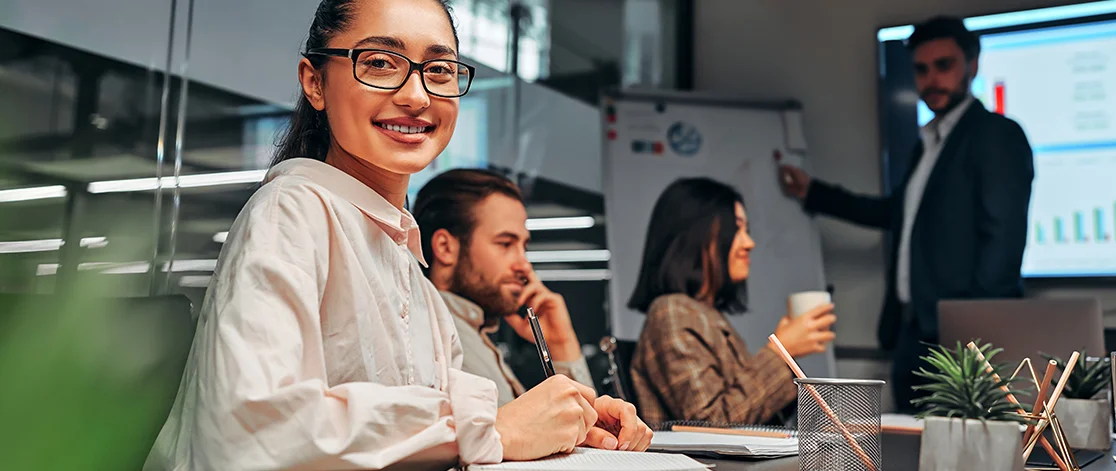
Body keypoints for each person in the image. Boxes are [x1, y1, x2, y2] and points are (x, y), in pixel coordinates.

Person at [145, 1, 645, 469]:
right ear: (314, 82)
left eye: (439, 69)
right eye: (381, 62)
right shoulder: (291, 211)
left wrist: (573, 424)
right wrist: (489, 427)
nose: (416, 95)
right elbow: (250, 430)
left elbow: (461, 430)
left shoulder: (409, 267)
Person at [778, 16, 1034, 412]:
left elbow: (1003, 243)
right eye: (921, 69)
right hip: (912, 334)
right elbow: (896, 213)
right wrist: (815, 192)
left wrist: (971, 338)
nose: (931, 79)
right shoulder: (927, 143)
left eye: (943, 66)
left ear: (972, 65)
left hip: (962, 342)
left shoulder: (995, 135)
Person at [413, 168, 652, 451]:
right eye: (505, 244)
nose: (523, 264)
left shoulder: (476, 333)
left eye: (523, 246)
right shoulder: (430, 333)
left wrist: (562, 344)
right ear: (445, 247)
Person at [627, 177, 837, 425]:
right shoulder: (671, 311)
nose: (749, 243)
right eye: (735, 228)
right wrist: (781, 353)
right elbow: (709, 424)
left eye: (746, 230)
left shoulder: (705, 314)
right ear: (696, 233)